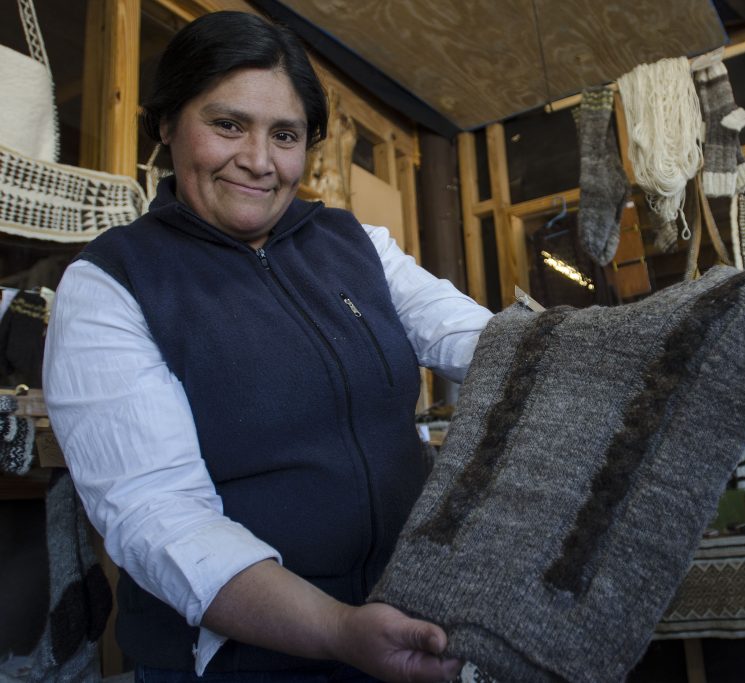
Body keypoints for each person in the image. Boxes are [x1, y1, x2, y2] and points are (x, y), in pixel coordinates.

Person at [42, 11, 492, 682]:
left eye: (284, 134)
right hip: (245, 659)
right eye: (228, 125)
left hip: (408, 621)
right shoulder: (113, 284)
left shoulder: (354, 243)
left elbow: (475, 338)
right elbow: (159, 514)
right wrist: (336, 628)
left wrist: (598, 351)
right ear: (165, 124)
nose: (258, 160)